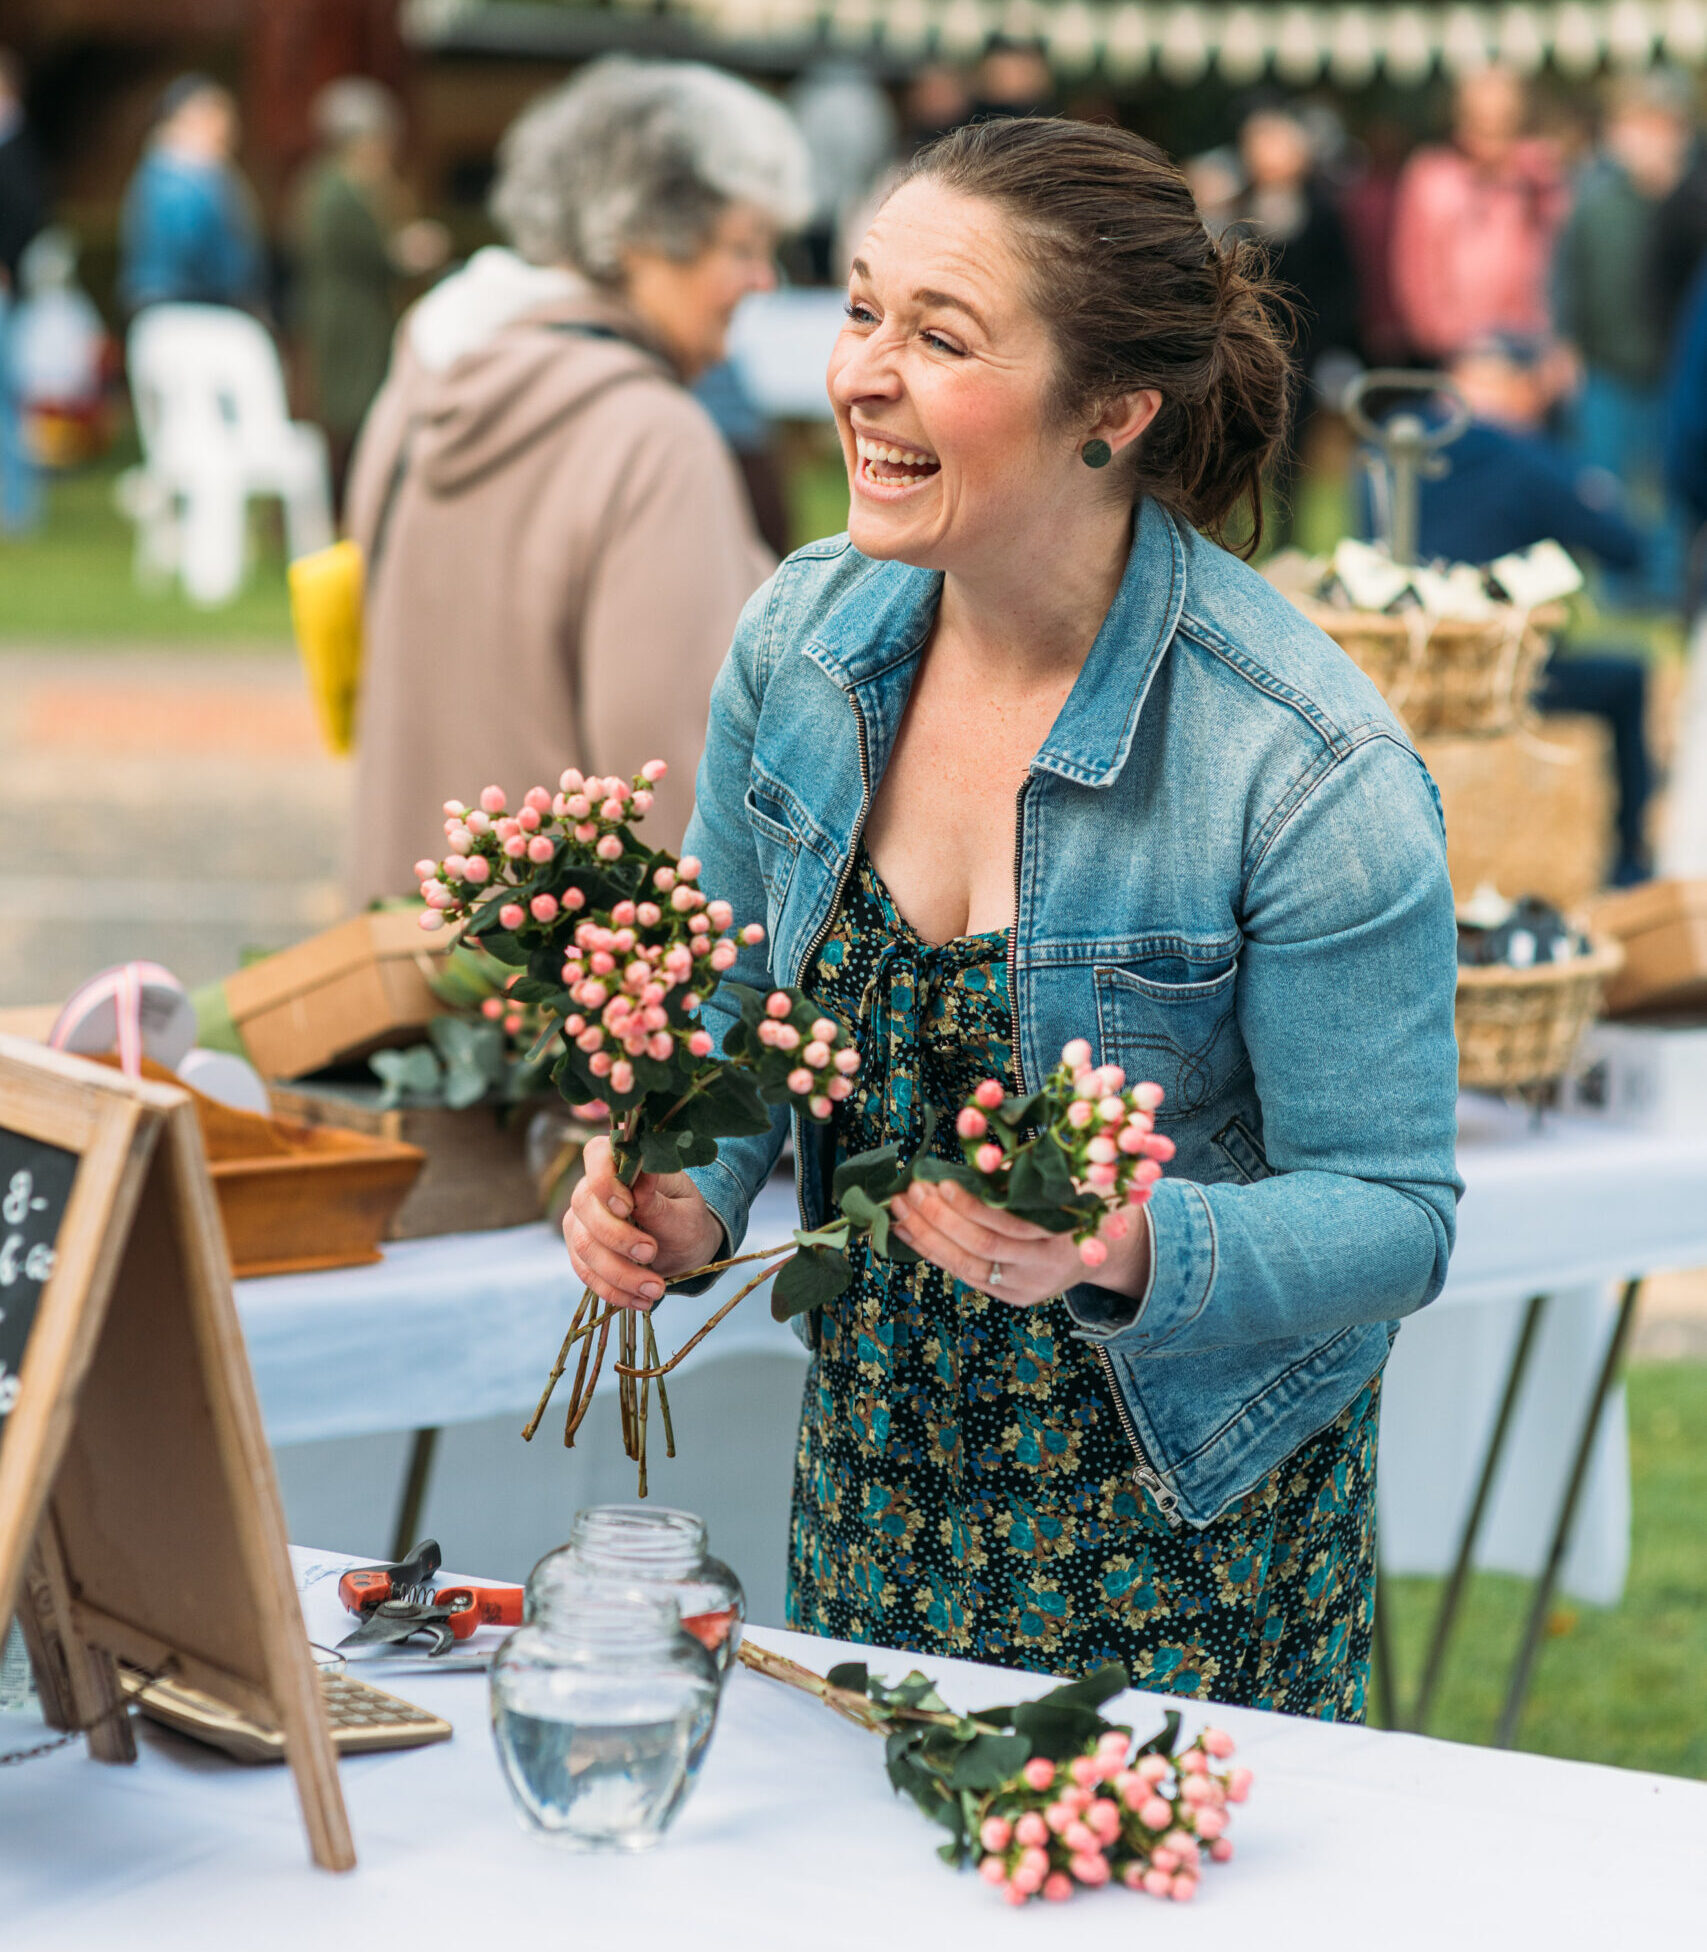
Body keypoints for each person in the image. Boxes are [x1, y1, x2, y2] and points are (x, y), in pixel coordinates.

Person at [566, 118, 1462, 1716]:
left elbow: (1393, 1215)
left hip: (1184, 1533)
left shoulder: (1302, 766)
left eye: (938, 334)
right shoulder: (799, 642)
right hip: (873, 1496)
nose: (860, 374)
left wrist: (1123, 1242)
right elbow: (728, 1008)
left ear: (1108, 413)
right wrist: (679, 1194)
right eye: (858, 311)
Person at [344, 59, 809, 902]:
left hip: (401, 941)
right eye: (742, 246)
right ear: (640, 234)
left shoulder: (426, 377)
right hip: (568, 983)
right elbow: (671, 763)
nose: (762, 280)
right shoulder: (656, 439)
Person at [1361, 341, 1657, 886]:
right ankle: (1631, 862)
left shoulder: (1386, 447)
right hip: (1498, 677)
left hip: (1390, 671)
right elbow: (1628, 545)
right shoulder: (1526, 458)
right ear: (1522, 387)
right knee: (1628, 679)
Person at [1554, 72, 1694, 608]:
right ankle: (1613, 590)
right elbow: (1567, 273)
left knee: (1668, 486)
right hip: (1606, 363)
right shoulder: (1593, 199)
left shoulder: (1690, 199)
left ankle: (1667, 586)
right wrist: (1566, 343)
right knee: (1604, 483)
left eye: (1661, 126)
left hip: (1673, 369)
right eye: (1638, 125)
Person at [292, 77, 448, 507]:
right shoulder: (337, 190)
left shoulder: (351, 184)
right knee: (350, 413)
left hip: (364, 314)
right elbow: (369, 250)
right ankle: (345, 504)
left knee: (361, 409)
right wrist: (407, 252)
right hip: (348, 319)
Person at [1390, 65, 1568, 363]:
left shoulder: (1538, 176)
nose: (1492, 133)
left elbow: (1562, 256)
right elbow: (1415, 272)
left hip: (1534, 341)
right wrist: (1448, 338)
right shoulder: (1432, 177)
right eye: (1482, 120)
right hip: (1460, 349)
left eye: (1504, 120)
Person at [118, 75, 265, 317]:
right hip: (187, 310)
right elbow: (192, 248)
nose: (231, 127)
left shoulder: (187, 170)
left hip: (189, 307)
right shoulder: (182, 173)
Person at [0, 45, 46, 532]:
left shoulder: (16, 146)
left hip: (4, 286)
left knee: (7, 396)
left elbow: (27, 216)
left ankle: (18, 506)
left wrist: (6, 263)